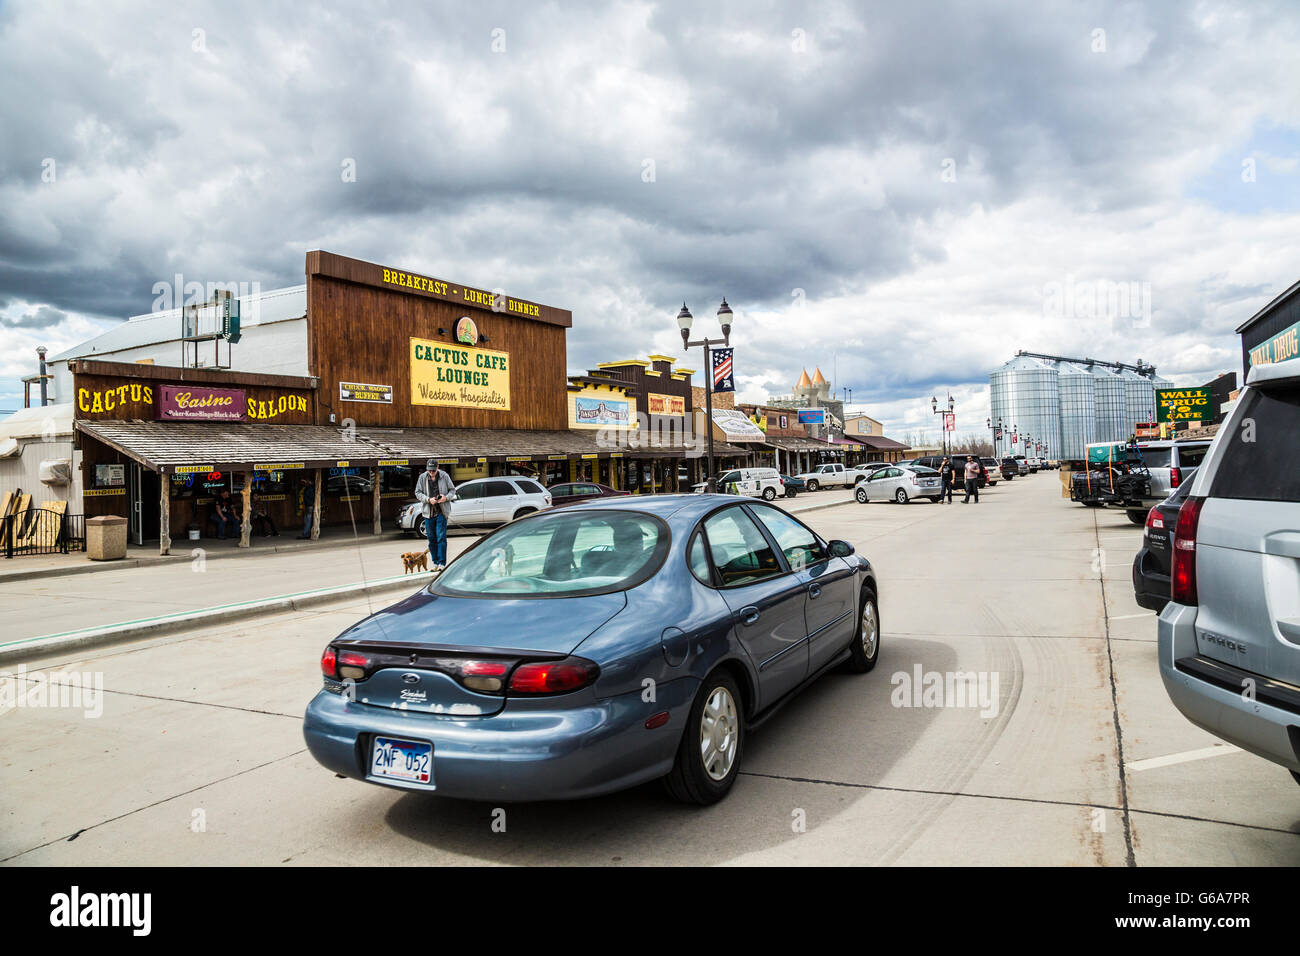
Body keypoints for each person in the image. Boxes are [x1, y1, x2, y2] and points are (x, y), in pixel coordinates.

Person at [415, 458, 457, 569]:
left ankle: (442, 563)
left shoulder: (445, 476)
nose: (431, 472)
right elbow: (417, 492)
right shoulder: (422, 477)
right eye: (430, 470)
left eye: (433, 470)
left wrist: (445, 498)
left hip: (442, 512)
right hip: (428, 513)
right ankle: (435, 562)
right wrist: (428, 499)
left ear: (437, 468)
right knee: (431, 538)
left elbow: (452, 490)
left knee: (441, 537)